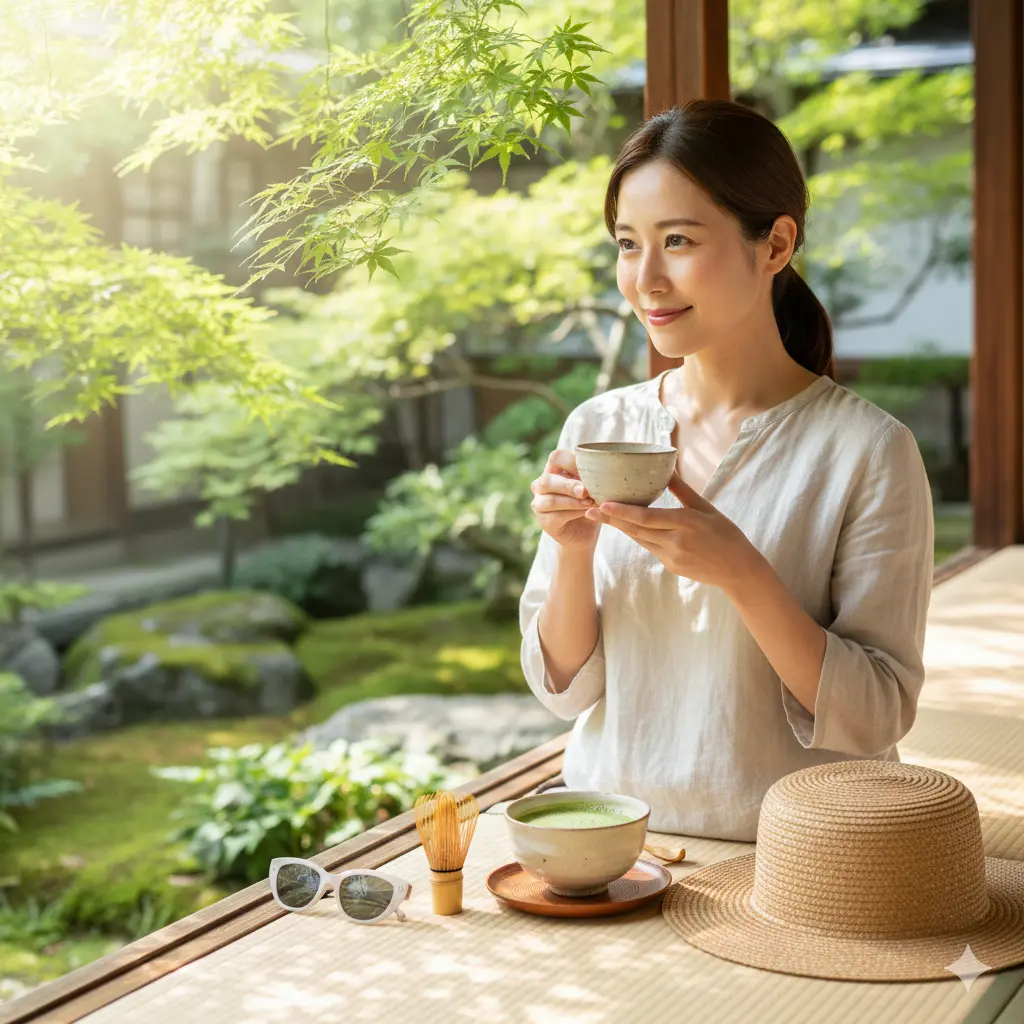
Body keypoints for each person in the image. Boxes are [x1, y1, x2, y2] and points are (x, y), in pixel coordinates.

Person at [519, 99, 935, 841]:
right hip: (613, 841)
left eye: (678, 240)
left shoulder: (868, 449)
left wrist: (744, 573)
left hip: (799, 857)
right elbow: (564, 692)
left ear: (775, 245)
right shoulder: (599, 428)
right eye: (627, 244)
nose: (646, 279)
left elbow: (877, 712)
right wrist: (574, 552)